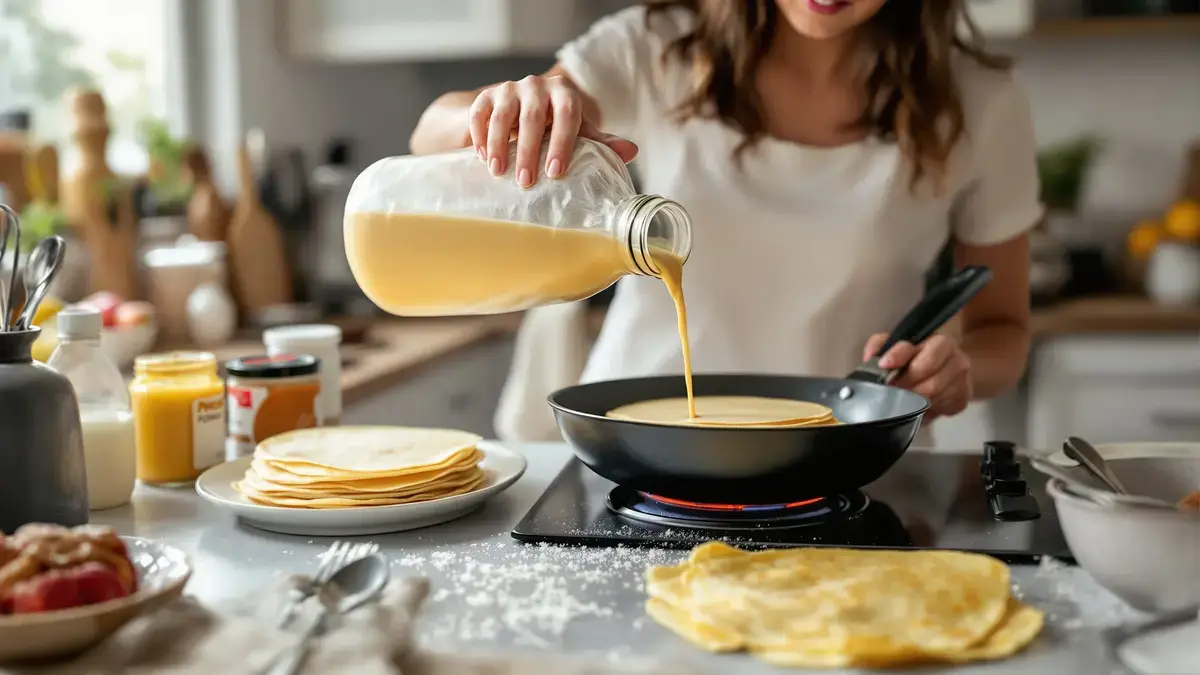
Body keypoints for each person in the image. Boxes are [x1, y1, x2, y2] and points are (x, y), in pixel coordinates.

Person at [411, 0, 1040, 443]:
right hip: (635, 448)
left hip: (847, 460)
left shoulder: (980, 102)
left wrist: (957, 370)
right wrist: (508, 107)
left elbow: (1004, 333)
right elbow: (431, 133)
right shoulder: (653, 48)